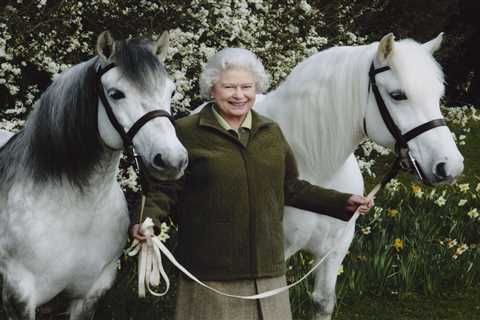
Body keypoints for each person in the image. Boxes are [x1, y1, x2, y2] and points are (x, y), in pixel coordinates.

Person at [130, 48, 373, 320]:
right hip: (212, 273)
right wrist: (150, 219)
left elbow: (290, 187)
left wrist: (341, 201)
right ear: (212, 89)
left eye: (247, 86)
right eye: (229, 87)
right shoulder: (186, 131)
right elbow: (165, 188)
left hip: (268, 272)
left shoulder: (271, 132)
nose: (239, 95)